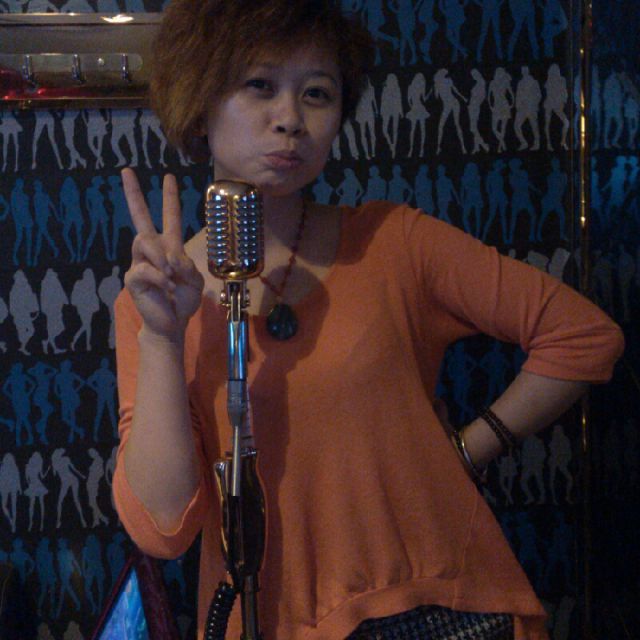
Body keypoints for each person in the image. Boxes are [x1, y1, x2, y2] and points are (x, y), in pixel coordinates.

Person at [112, 2, 624, 639]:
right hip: (275, 619)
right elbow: (162, 528)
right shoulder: (152, 304)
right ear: (201, 100)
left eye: (317, 93)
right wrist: (163, 337)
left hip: (444, 606)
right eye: (260, 85)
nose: (290, 119)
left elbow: (585, 337)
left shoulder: (393, 244)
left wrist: (469, 449)